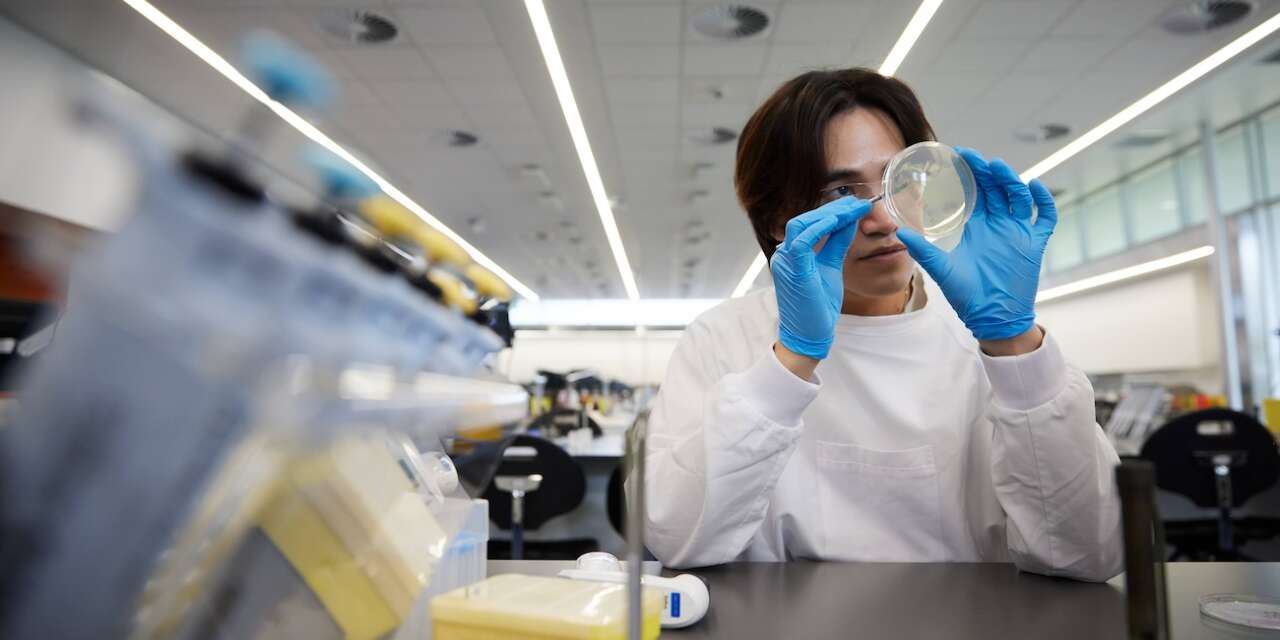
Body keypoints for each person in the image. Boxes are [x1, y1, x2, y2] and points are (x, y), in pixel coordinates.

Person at [642, 68, 1123, 581]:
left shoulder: (981, 335)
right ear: (777, 219)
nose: (884, 219)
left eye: (902, 181)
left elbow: (1092, 553)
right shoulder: (721, 339)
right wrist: (792, 360)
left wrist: (1013, 344)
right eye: (840, 195)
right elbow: (677, 537)